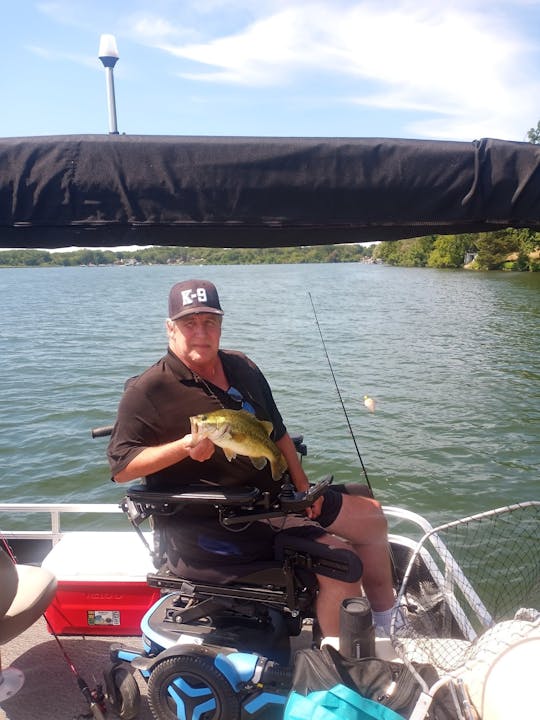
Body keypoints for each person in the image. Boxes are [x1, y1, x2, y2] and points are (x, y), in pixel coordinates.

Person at [107, 279, 396, 639]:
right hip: (228, 521)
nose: (201, 333)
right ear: (170, 328)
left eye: (209, 322)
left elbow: (277, 432)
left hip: (281, 498)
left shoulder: (242, 365)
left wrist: (303, 490)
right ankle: (339, 674)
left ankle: (388, 623)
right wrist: (184, 447)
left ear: (221, 325)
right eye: (189, 323)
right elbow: (122, 467)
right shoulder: (148, 390)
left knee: (372, 517)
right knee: (342, 563)